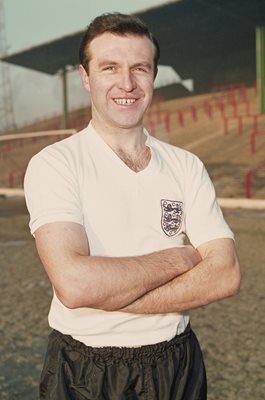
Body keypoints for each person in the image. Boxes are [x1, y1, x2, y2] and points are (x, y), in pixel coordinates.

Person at [24, 12, 240, 400]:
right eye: (110, 67)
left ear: (154, 75)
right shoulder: (55, 163)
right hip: (85, 371)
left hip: (177, 363)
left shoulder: (186, 165)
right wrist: (181, 259)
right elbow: (75, 284)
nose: (127, 83)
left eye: (140, 68)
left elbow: (224, 275)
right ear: (86, 77)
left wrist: (112, 296)